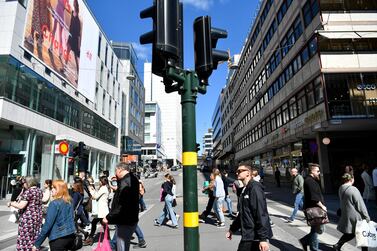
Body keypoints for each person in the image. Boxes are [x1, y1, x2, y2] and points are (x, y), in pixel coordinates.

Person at [226, 164, 272, 251]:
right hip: (248, 234)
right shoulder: (245, 189)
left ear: (248, 173)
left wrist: (262, 239)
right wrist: (232, 229)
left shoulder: (255, 188)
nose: (237, 173)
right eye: (237, 171)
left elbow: (261, 213)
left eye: (240, 171)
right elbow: (243, 213)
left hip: (254, 236)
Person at [103, 162, 139, 251]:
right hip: (131, 218)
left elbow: (121, 204)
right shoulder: (132, 178)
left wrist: (108, 217)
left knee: (122, 247)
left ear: (120, 169)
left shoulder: (125, 182)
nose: (115, 173)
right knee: (123, 246)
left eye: (115, 171)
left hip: (125, 220)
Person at [32, 180, 76, 251]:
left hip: (58, 238)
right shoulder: (69, 200)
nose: (51, 189)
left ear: (59, 190)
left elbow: (47, 225)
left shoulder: (54, 203)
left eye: (54, 188)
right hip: (70, 236)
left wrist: (37, 244)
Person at [333, 173, 370, 251]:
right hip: (356, 216)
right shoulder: (353, 189)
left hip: (347, 214)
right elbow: (360, 205)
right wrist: (367, 217)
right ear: (351, 179)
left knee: (351, 233)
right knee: (362, 235)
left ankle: (338, 245)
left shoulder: (341, 188)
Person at [7, 176, 43, 250]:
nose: (23, 184)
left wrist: (11, 203)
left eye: (24, 183)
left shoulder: (29, 191)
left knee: (25, 237)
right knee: (34, 235)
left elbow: (21, 206)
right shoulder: (39, 190)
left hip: (28, 218)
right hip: (37, 217)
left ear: (28, 182)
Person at [299, 163, 326, 251]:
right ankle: (314, 248)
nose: (319, 173)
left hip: (313, 209)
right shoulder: (310, 181)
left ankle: (304, 241)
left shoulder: (310, 180)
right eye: (317, 171)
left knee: (317, 229)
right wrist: (322, 207)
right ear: (312, 171)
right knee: (317, 229)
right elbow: (314, 197)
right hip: (314, 209)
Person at [83, 176, 110, 246]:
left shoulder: (103, 188)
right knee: (103, 224)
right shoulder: (104, 188)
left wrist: (90, 189)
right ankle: (107, 238)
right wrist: (93, 190)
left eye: (100, 181)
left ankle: (90, 239)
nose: (99, 182)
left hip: (102, 211)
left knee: (95, 223)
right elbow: (97, 195)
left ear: (103, 182)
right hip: (101, 210)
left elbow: (95, 196)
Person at [65, 0, 81, 83]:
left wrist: (78, 46)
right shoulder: (72, 13)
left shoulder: (78, 20)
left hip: (75, 39)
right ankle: (64, 67)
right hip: (71, 36)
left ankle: (79, 77)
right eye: (74, 3)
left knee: (75, 59)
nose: (74, 4)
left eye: (75, 4)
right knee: (67, 52)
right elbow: (70, 25)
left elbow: (78, 35)